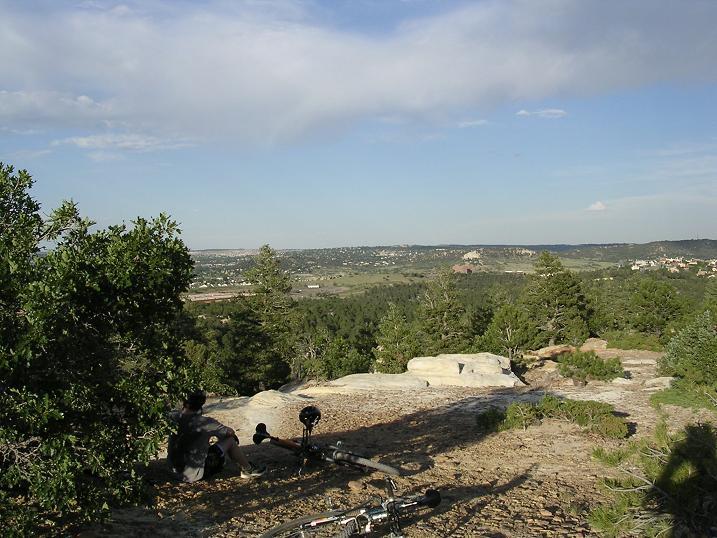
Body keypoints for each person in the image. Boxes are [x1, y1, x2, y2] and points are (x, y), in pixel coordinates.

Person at [167, 389, 266, 483]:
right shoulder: (206, 422)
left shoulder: (172, 417)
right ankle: (248, 469)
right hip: (193, 475)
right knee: (230, 440)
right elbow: (230, 432)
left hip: (173, 471)